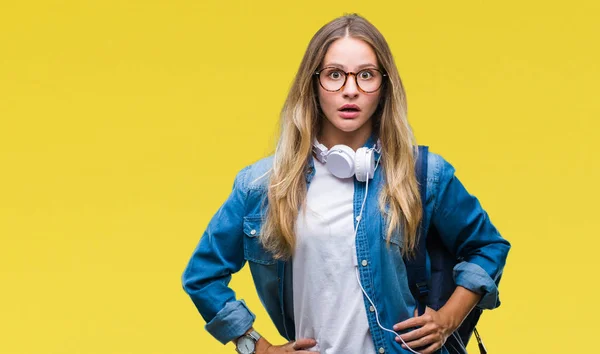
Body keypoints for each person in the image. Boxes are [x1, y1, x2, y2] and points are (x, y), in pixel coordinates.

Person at [181, 13, 510, 354]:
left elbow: (488, 247)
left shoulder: (422, 175)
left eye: (366, 75)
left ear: (384, 86)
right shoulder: (264, 186)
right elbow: (202, 276)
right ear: (313, 83)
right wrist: (257, 347)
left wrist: (448, 319)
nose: (350, 90)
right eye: (335, 75)